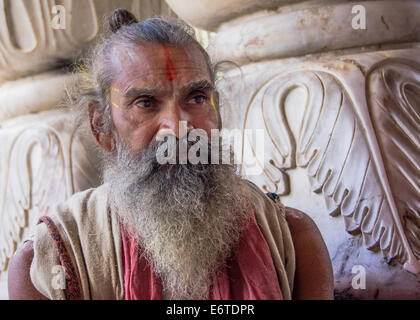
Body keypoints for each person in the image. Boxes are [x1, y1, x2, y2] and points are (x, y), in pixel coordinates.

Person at [8, 9, 333, 300]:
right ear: (102, 127)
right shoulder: (51, 263)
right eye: (146, 102)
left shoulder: (293, 240)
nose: (178, 128)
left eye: (196, 97)